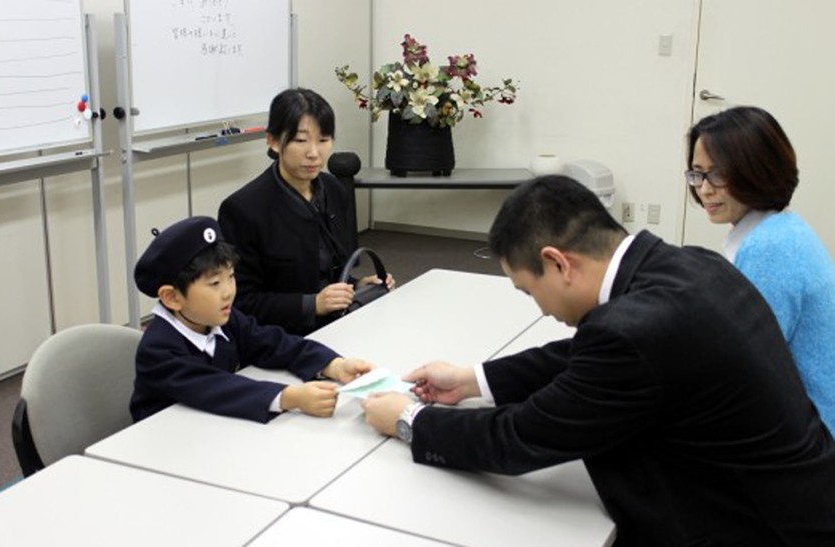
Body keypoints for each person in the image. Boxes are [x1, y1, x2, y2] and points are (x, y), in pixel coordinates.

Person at [361, 176, 835, 545]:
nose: (540, 309)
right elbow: (584, 356)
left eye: (529, 290)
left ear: (558, 263)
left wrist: (410, 420)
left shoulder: (631, 332)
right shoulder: (688, 264)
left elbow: (519, 437)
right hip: (800, 501)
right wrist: (472, 380)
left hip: (751, 530)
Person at [130, 215, 373, 423]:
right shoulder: (158, 349)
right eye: (214, 283)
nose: (228, 291)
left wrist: (333, 365)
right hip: (169, 441)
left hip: (215, 428)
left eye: (231, 276)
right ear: (172, 297)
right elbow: (214, 388)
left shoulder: (222, 318)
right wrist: (290, 397)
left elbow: (273, 342)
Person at [687, 105, 835, 432]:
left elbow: (744, 368)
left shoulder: (770, 247)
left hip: (813, 436)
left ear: (757, 171)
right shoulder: (781, 228)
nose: (705, 188)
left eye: (719, 174)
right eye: (698, 173)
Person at [218, 87, 395, 335]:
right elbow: (241, 302)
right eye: (300, 141)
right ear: (273, 141)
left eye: (323, 140)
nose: (314, 153)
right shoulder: (243, 209)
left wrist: (356, 286)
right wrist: (312, 304)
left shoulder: (334, 190)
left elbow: (329, 269)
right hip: (279, 337)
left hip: (339, 322)